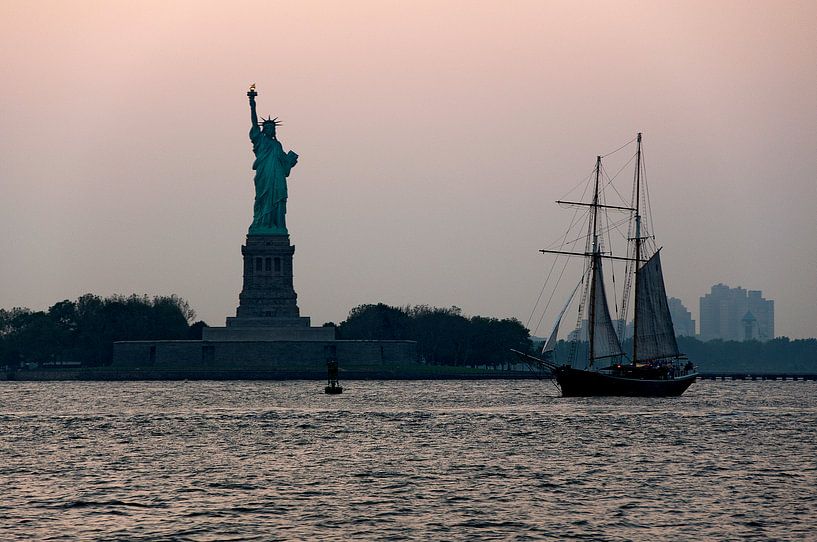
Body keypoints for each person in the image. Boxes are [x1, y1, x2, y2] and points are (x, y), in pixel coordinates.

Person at [247, 89, 298, 234]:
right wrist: (252, 104)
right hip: (264, 176)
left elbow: (285, 165)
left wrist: (290, 161)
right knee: (262, 199)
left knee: (278, 200)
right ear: (263, 130)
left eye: (272, 128)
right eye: (267, 127)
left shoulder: (277, 145)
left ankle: (277, 225)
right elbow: (254, 124)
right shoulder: (260, 140)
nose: (269, 129)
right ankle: (261, 223)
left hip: (277, 178)